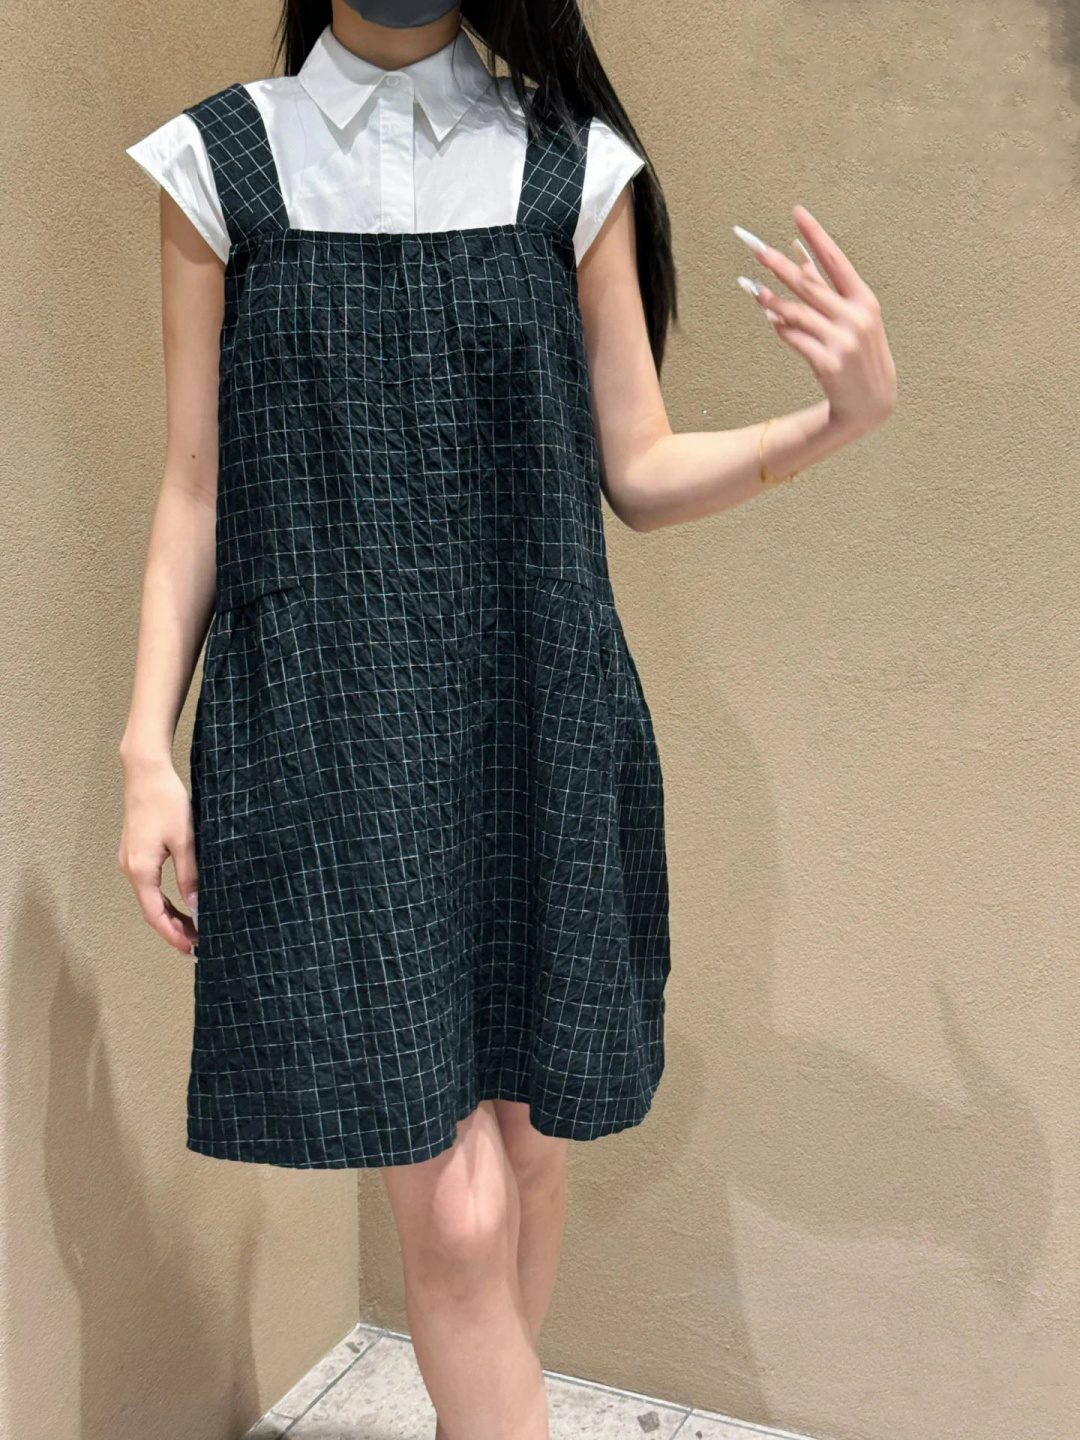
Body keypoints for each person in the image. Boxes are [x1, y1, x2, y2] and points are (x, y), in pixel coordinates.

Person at [117, 2, 897, 1434]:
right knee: (462, 1214)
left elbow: (638, 467)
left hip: (540, 725)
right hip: (329, 743)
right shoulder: (221, 165)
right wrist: (143, 754)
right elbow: (195, 489)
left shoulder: (572, 167)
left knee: (532, 1148)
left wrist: (831, 420)